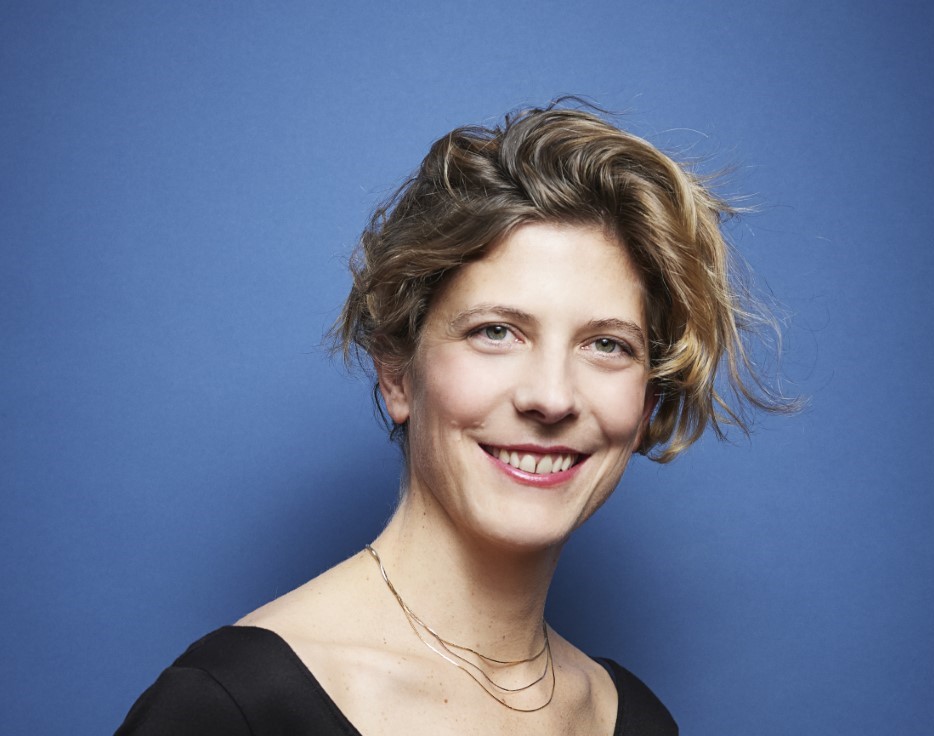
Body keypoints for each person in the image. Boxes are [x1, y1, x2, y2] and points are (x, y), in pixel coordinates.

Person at [116, 102, 794, 735]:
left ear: (647, 404)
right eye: (496, 332)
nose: (551, 397)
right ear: (397, 374)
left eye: (607, 345)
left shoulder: (635, 721)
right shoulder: (232, 708)